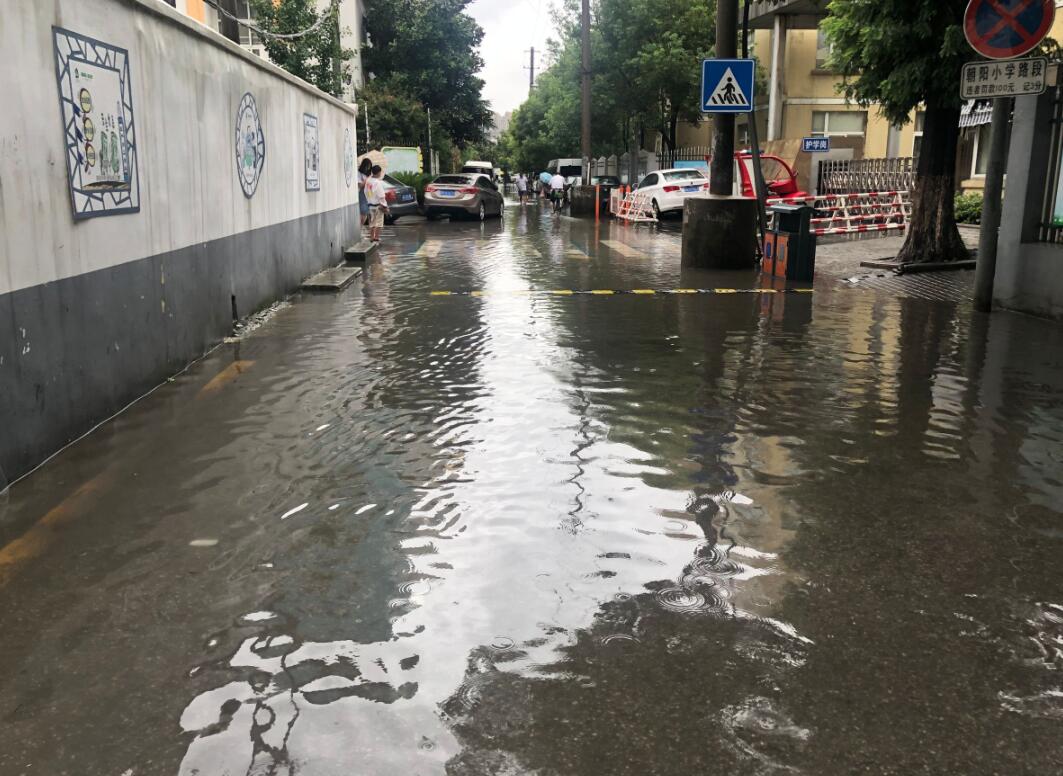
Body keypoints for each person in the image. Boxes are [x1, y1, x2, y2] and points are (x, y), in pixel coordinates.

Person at [364, 165, 390, 243]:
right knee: (379, 222)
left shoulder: (368, 181)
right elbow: (381, 195)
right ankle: (376, 237)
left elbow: (365, 192)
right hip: (378, 205)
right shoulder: (377, 182)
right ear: (378, 172)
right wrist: (385, 205)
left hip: (370, 205)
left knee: (372, 222)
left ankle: (372, 237)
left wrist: (369, 200)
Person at [357, 158, 373, 226]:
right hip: (362, 194)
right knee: (363, 212)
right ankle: (359, 227)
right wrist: (367, 179)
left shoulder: (368, 174)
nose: (368, 168)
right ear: (364, 165)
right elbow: (360, 185)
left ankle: (361, 227)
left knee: (367, 213)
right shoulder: (359, 173)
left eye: (369, 166)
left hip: (369, 193)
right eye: (367, 166)